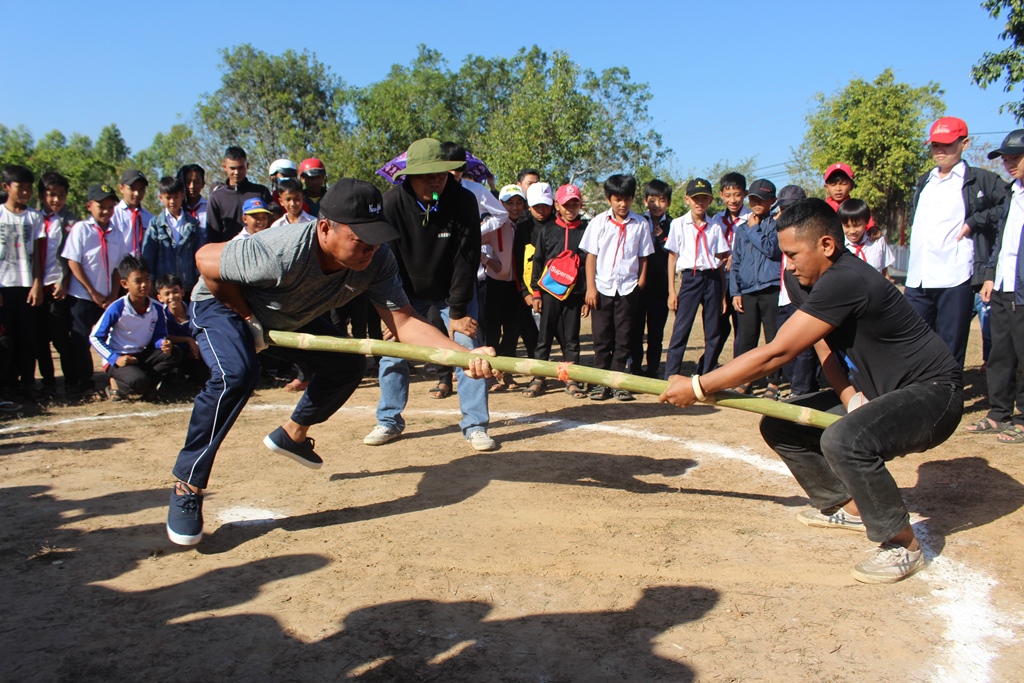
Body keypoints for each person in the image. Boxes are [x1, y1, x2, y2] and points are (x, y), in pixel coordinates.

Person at [165, 177, 499, 545]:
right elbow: (205, 261)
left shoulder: (377, 259)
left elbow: (402, 321)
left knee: (347, 363)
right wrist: (247, 318)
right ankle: (187, 486)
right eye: (361, 238)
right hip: (222, 307)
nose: (371, 247)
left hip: (288, 314)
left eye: (376, 236)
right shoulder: (281, 251)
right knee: (236, 376)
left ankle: (292, 435)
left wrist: (463, 356)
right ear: (325, 228)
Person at [660, 197, 963, 584]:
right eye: (784, 255)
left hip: (933, 395)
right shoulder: (802, 278)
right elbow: (822, 345)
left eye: (793, 254)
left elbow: (778, 352)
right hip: (879, 393)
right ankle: (850, 506)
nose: (788, 264)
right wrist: (849, 397)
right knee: (783, 425)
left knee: (844, 440)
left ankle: (903, 544)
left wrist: (699, 386)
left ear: (826, 245)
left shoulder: (847, 278)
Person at [363, 138, 496, 452]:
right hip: (404, 293)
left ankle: (475, 426)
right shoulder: (391, 203)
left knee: (467, 350)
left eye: (442, 173)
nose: (436, 180)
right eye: (427, 175)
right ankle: (389, 420)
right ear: (409, 176)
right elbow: (386, 261)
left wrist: (459, 311)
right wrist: (395, 313)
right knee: (393, 351)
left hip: (454, 292)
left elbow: (467, 258)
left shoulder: (463, 200)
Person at [904, 116, 1007, 369]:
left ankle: (948, 397)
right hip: (918, 278)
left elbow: (1010, 204)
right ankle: (920, 397)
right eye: (935, 145)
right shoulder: (923, 182)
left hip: (954, 275)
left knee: (949, 346)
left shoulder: (979, 180)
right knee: (913, 343)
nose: (940, 150)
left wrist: (976, 220)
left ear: (965, 143)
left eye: (947, 144)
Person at [581, 174, 654, 401]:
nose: (623, 204)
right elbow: (591, 257)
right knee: (602, 338)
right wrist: (590, 288)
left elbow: (644, 257)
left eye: (628, 199)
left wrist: (639, 283)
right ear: (609, 199)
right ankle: (600, 382)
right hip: (602, 288)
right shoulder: (598, 223)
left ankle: (619, 380)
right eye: (618, 199)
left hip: (628, 289)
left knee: (625, 337)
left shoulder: (640, 224)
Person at [972, 129, 1024, 441]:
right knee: (1001, 352)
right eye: (1005, 159)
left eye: (1015, 158)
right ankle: (998, 412)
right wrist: (990, 273)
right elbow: (1001, 242)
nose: (1008, 163)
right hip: (1004, 283)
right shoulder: (1011, 194)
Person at [523, 183, 590, 399]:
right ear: (557, 206)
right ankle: (539, 377)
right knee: (544, 337)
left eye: (575, 204)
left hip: (574, 295)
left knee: (571, 338)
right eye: (566, 204)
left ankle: (569, 377)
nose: (571, 209)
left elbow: (590, 264)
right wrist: (535, 292)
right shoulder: (547, 230)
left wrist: (587, 295)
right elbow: (538, 262)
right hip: (550, 292)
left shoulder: (586, 231)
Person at [61, 184, 127, 399]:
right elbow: (73, 261)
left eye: (110, 206)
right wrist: (92, 292)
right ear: (89, 206)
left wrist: (112, 295)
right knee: (80, 341)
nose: (106, 211)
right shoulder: (81, 229)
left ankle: (113, 380)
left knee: (108, 338)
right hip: (82, 296)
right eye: (101, 206)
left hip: (107, 297)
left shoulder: (117, 233)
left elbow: (119, 268)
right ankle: (83, 383)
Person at [663, 178, 730, 379]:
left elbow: (721, 260)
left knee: (713, 331)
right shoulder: (678, 224)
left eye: (704, 199)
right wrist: (672, 291)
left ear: (710, 201)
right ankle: (671, 375)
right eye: (695, 199)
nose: (699, 203)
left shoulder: (715, 226)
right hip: (690, 279)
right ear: (687, 200)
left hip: (712, 279)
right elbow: (672, 257)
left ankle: (706, 374)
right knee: (681, 328)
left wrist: (723, 294)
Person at [90, 255, 181, 401]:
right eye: (138, 281)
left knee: (174, 353)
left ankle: (148, 386)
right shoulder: (117, 308)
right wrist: (115, 358)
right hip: (120, 358)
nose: (144, 285)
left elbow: (159, 335)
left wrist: (162, 344)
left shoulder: (156, 308)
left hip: (141, 355)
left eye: (146, 279)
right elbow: (95, 337)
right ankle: (116, 386)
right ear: (125, 284)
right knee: (137, 381)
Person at [729, 179, 783, 398]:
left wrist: (754, 230)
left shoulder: (778, 225)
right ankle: (745, 379)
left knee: (773, 338)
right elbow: (736, 262)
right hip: (748, 291)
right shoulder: (741, 230)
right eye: (752, 199)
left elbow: (771, 249)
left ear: (772, 201)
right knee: (747, 338)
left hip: (771, 288)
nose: (756, 203)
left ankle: (774, 382)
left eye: (762, 199)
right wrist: (735, 292)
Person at [0, 164, 44, 398]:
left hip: (27, 287)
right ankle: (7, 384)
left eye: (29, 188)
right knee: (7, 338)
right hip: (3, 287)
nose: (26, 192)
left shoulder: (34, 217)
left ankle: (28, 383)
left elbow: (37, 253)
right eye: (21, 187)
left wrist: (37, 283)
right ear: (6, 187)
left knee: (29, 338)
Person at [34, 171, 77, 398]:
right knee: (40, 340)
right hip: (34, 287)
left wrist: (64, 282)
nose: (56, 200)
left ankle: (71, 382)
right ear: (42, 195)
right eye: (51, 195)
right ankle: (48, 382)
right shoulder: (32, 219)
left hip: (57, 288)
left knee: (61, 338)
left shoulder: (71, 222)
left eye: (61, 195)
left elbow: (72, 257)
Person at [774, 185, 818, 397]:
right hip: (783, 296)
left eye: (790, 208)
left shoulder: (809, 232)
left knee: (804, 347)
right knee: (784, 344)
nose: (785, 213)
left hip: (803, 295)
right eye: (782, 209)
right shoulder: (781, 230)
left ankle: (801, 392)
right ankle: (795, 385)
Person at [629, 179, 673, 378]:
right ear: (645, 201)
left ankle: (653, 368)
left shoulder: (674, 225)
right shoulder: (637, 222)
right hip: (638, 286)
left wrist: (663, 239)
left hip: (661, 288)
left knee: (656, 332)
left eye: (662, 200)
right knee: (635, 329)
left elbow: (676, 255)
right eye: (653, 200)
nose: (657, 204)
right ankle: (635, 367)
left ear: (669, 203)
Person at [481, 185, 525, 386]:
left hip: (517, 286)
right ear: (500, 204)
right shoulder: (494, 224)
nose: (514, 207)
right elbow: (470, 243)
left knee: (512, 329)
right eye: (509, 203)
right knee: (491, 329)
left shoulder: (526, 226)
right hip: (495, 283)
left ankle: (507, 372)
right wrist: (489, 261)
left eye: (518, 202)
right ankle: (489, 372)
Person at [707, 172, 752, 367]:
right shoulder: (716, 220)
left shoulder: (752, 218)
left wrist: (736, 256)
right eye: (728, 195)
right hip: (721, 279)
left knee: (742, 328)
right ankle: (709, 365)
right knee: (717, 326)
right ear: (721, 195)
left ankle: (740, 368)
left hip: (742, 281)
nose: (732, 200)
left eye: (737, 195)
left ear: (745, 194)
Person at [141, 176, 204, 296]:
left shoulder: (193, 224)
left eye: (176, 197)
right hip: (164, 286)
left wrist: (199, 280)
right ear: (161, 198)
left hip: (188, 286)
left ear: (182, 195)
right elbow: (149, 256)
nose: (172, 202)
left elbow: (198, 255)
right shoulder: (155, 224)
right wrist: (150, 282)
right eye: (168, 198)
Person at [206, 147, 273, 242]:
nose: (236, 172)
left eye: (241, 167)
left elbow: (272, 224)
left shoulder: (261, 192)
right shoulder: (216, 197)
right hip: (229, 251)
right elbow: (213, 235)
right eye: (232, 168)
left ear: (247, 165)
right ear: (224, 167)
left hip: (260, 248)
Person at [155, 273, 206, 385]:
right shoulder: (159, 315)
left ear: (182, 292)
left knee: (202, 377)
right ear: (160, 298)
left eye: (175, 292)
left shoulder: (194, 310)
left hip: (195, 351)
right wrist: (188, 340)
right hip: (177, 351)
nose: (172, 297)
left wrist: (195, 345)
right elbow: (162, 336)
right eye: (167, 294)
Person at [838, 200, 894, 279]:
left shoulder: (878, 242)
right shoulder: (838, 246)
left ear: (866, 222)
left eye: (857, 225)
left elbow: (885, 274)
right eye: (847, 226)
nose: (852, 231)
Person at [110, 169, 153, 257]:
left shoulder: (149, 218)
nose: (137, 193)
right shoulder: (113, 214)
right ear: (121, 188)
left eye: (141, 189)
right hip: (121, 267)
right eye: (132, 189)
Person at [177, 164, 207, 241]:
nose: (192, 186)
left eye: (196, 182)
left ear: (203, 184)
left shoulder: (209, 208)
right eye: (187, 182)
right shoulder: (177, 210)